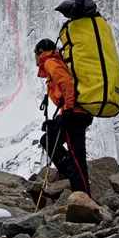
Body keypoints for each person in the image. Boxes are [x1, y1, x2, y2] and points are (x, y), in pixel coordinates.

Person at [34, 38, 93, 195]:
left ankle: (81, 194)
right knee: (49, 139)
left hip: (74, 113)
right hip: (75, 112)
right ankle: (72, 177)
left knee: (75, 153)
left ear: (40, 53)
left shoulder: (50, 62)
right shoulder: (58, 62)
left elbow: (66, 82)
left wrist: (68, 110)